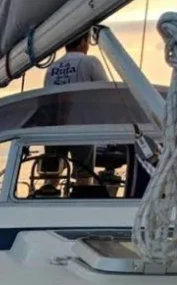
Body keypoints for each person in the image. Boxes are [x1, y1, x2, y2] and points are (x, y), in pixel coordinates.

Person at [43, 31, 109, 186]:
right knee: (83, 175)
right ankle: (81, 200)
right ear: (83, 42)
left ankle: (47, 200)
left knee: (52, 174)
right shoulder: (90, 62)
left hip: (53, 128)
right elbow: (106, 93)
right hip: (80, 127)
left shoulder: (52, 68)